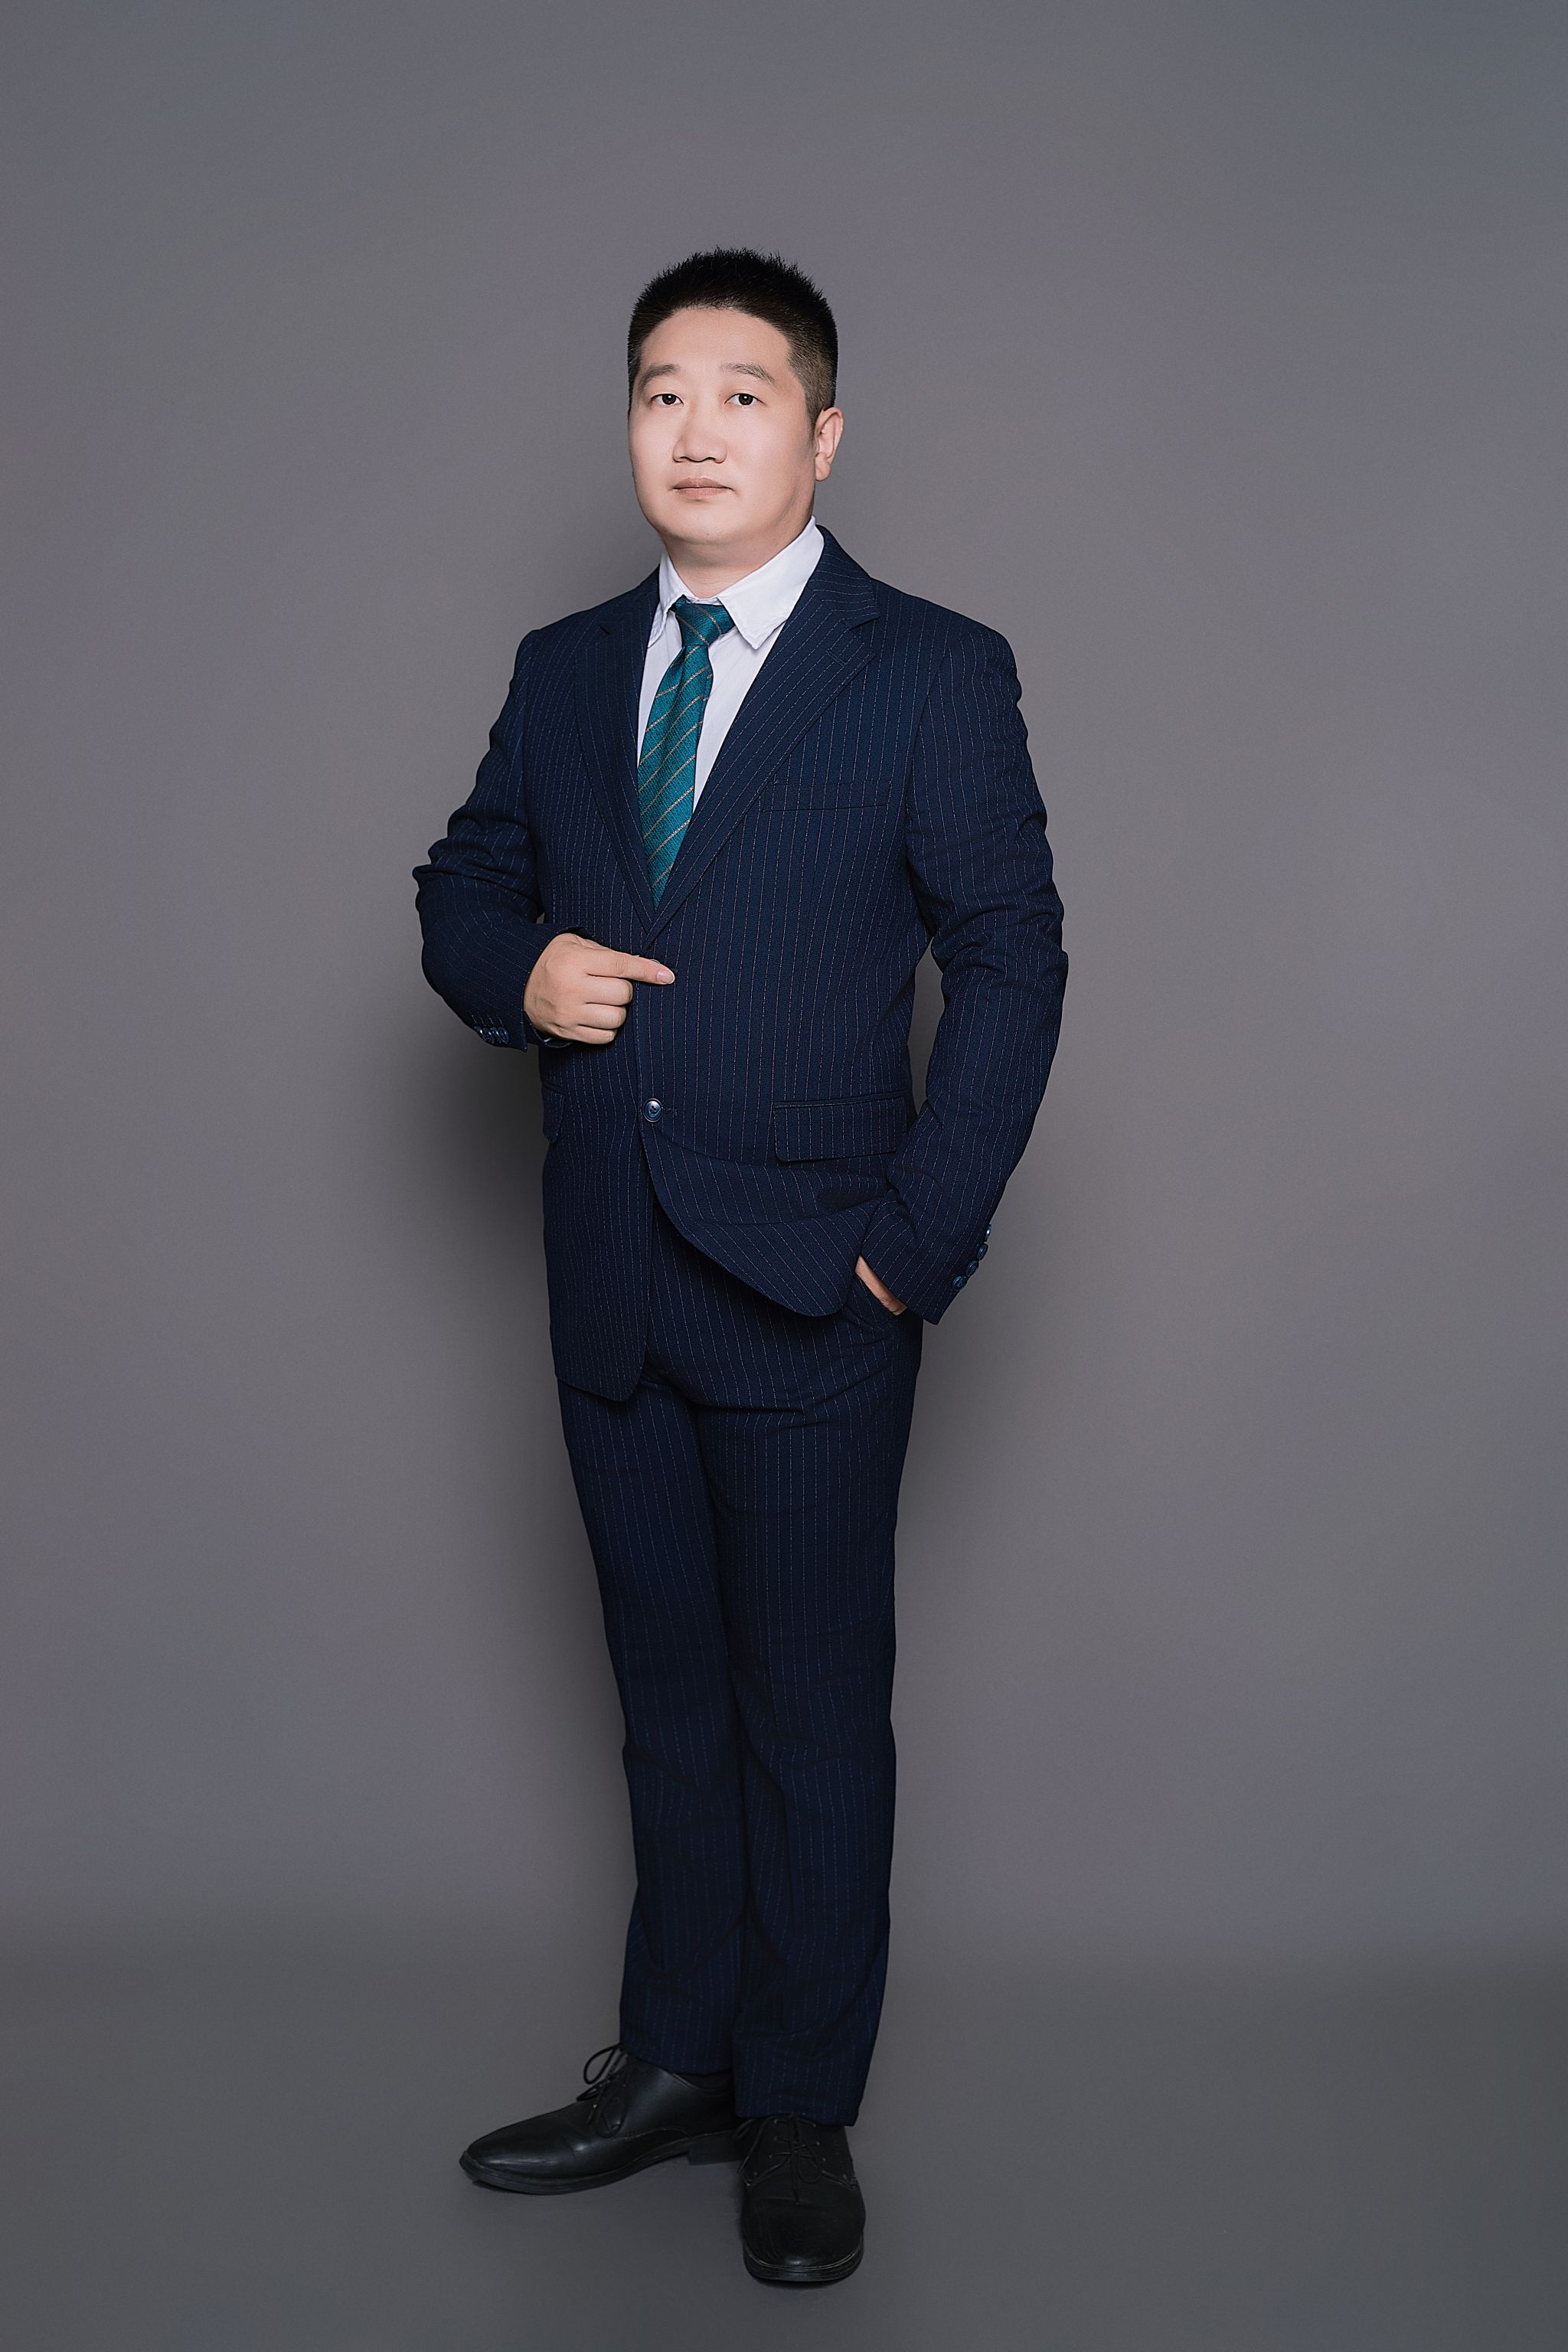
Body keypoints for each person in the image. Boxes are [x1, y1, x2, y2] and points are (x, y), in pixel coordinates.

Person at [413, 247, 1067, 2289]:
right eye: (660, 393)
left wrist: (912, 1251)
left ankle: (797, 2109)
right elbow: (464, 880)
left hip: (814, 1291)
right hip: (612, 1273)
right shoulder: (563, 666)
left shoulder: (929, 669)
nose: (695, 431)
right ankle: (678, 2059)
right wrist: (519, 967)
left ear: (823, 433)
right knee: (667, 1707)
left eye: (743, 394)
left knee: (810, 1717)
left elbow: (1013, 960)